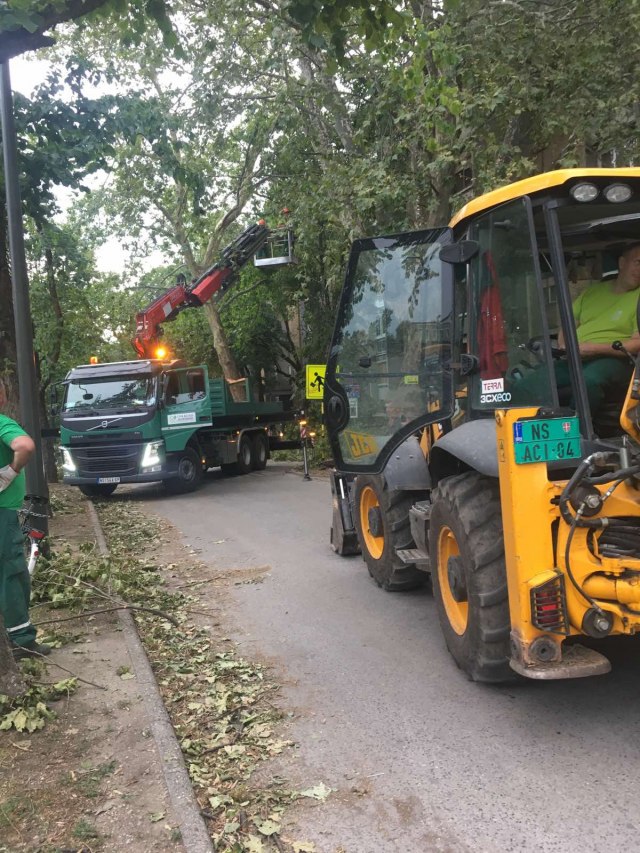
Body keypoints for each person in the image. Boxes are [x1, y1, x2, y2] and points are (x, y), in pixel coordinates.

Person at [553, 242, 640, 414]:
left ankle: (575, 431)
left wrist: (595, 349)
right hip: (576, 358)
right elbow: (567, 325)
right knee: (531, 384)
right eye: (638, 263)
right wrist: (566, 347)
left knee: (588, 381)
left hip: (617, 361)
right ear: (622, 263)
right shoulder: (592, 292)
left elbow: (636, 344)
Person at [0, 377, 50, 659]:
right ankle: (21, 640)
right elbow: (25, 446)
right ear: (2, 397)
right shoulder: (2, 424)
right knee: (13, 574)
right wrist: (10, 471)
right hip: (2, 515)